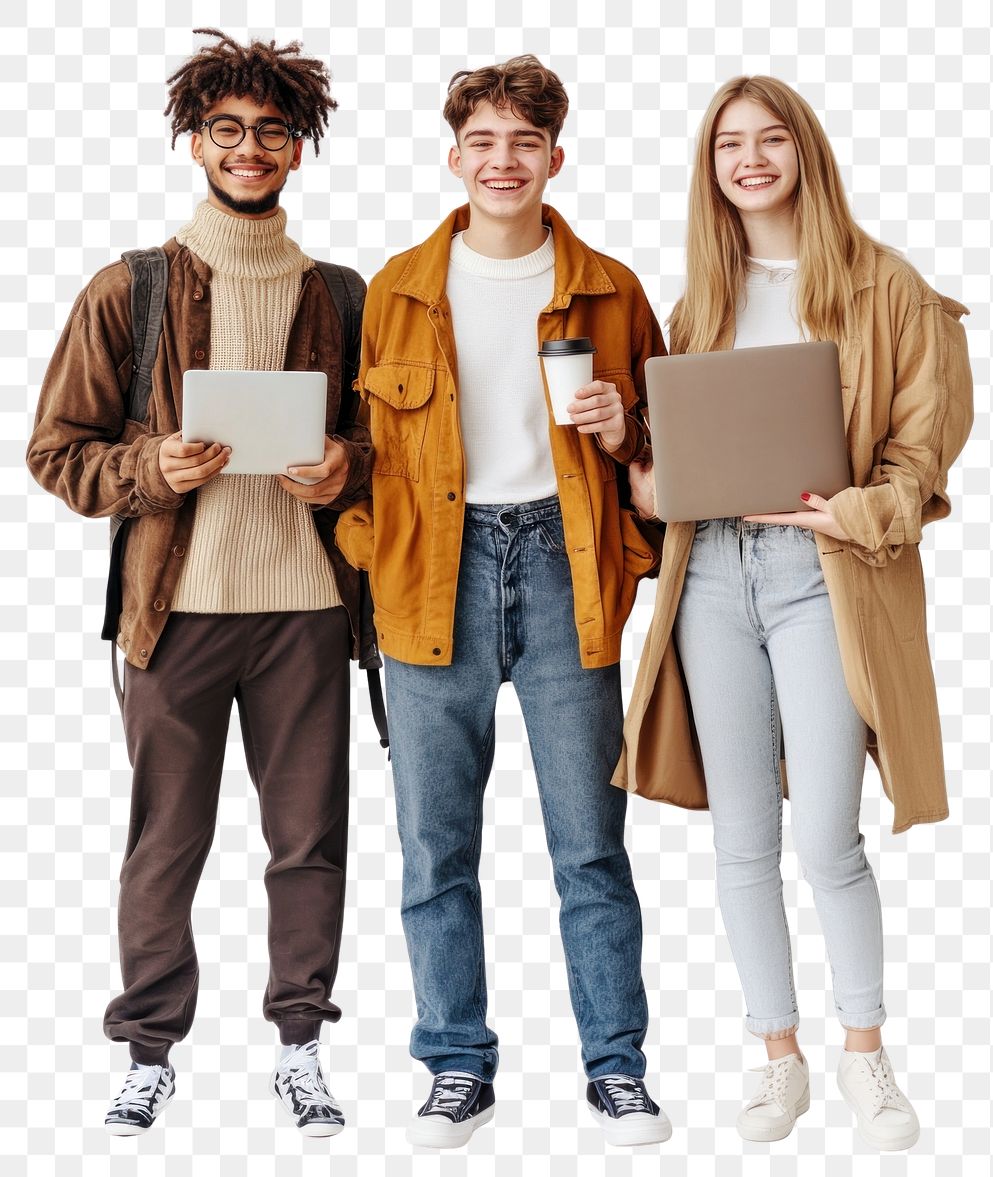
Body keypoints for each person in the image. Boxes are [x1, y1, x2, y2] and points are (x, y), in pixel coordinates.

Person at [616, 75, 973, 1151]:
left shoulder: (886, 288)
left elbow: (921, 462)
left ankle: (867, 1054)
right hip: (710, 575)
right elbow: (670, 467)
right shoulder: (699, 299)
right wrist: (633, 460)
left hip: (825, 571)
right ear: (710, 166)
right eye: (730, 143)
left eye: (772, 139)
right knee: (742, 839)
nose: (751, 158)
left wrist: (843, 507)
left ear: (805, 153)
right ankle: (780, 1057)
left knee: (825, 835)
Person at [26, 29, 372, 1138]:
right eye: (227, 130)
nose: (249, 148)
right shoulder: (128, 287)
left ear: (299, 150)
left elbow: (384, 446)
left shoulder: (344, 293)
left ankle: (303, 1045)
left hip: (309, 612)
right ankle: (146, 1049)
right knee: (165, 838)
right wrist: (147, 468)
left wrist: (345, 467)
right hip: (172, 611)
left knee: (308, 838)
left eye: (272, 131)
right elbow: (54, 452)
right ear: (193, 141)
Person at [335, 55, 672, 1149]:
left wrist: (625, 434)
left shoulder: (613, 288)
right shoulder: (394, 287)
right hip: (433, 576)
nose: (503, 160)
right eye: (482, 141)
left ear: (555, 158)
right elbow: (355, 455)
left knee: (589, 846)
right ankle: (453, 1063)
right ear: (454, 157)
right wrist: (367, 548)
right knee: (436, 850)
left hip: (570, 568)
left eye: (524, 142)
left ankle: (615, 1066)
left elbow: (671, 452)